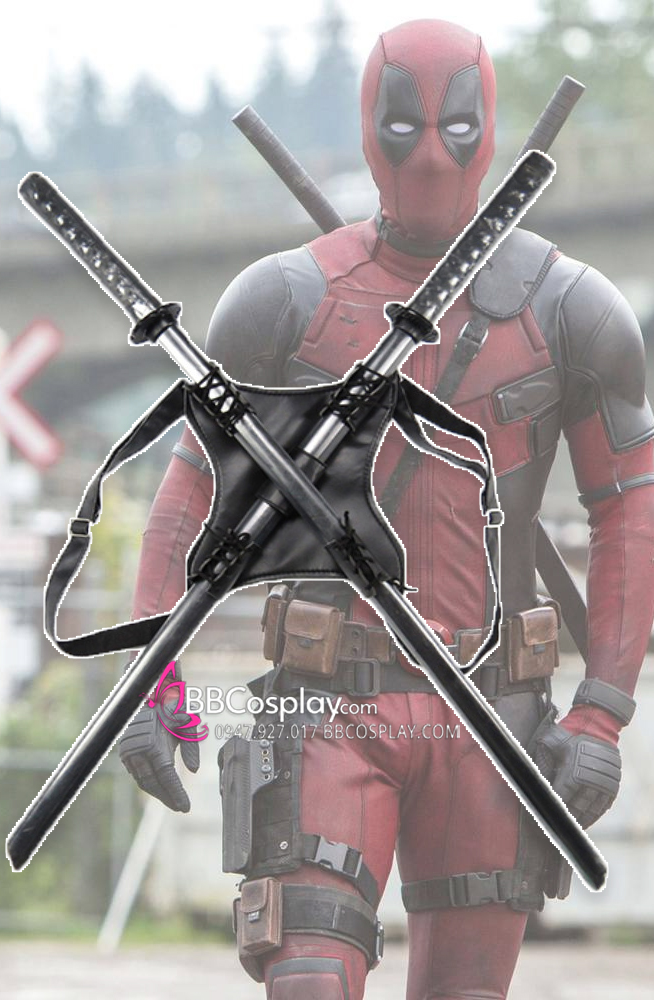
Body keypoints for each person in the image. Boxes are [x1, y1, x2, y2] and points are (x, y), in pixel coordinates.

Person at [118, 19, 654, 1000]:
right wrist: (151, 679)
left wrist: (603, 712)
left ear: (488, 130)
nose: (432, 155)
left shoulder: (572, 311)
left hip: (493, 712)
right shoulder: (285, 301)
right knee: (309, 980)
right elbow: (192, 489)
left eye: (457, 127)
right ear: (371, 127)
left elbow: (631, 512)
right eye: (404, 127)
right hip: (329, 704)